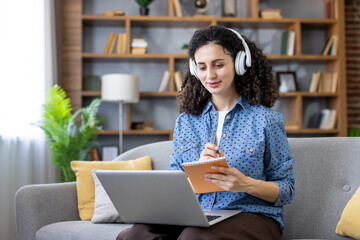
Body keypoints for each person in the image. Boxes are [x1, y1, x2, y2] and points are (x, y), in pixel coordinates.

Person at [117, 25, 295, 240]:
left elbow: (286, 189)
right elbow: (174, 182)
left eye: (218, 65)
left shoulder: (266, 120)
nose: (210, 75)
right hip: (198, 214)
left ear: (239, 64)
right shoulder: (187, 121)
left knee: (194, 236)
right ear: (194, 69)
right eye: (202, 67)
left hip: (252, 214)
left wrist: (244, 184)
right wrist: (195, 175)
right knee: (136, 234)